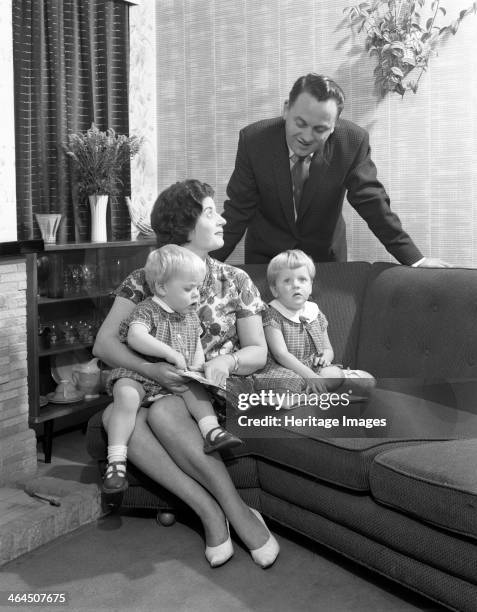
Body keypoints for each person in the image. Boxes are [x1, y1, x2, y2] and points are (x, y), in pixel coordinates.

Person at [93, 179, 279, 568]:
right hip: (154, 383)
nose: (222, 218)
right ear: (184, 225)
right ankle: (213, 512)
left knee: (155, 413)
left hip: (205, 393)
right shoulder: (144, 279)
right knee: (118, 414)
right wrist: (152, 371)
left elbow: (258, 351)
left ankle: (234, 511)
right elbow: (105, 344)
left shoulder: (236, 280)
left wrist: (225, 362)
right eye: (211, 212)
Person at [211, 73, 451, 268]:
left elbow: (373, 203)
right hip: (267, 260)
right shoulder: (255, 141)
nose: (306, 137)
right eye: (300, 123)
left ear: (334, 126)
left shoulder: (352, 142)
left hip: (324, 260)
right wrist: (205, 265)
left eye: (320, 129)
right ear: (286, 109)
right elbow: (238, 210)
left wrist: (416, 260)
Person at [102, 244, 243, 495]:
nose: (196, 295)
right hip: (141, 373)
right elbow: (136, 337)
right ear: (162, 288)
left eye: (198, 288)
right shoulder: (148, 309)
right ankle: (116, 460)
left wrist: (199, 365)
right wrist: (168, 353)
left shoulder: (189, 316)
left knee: (196, 389)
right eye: (189, 289)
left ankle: (211, 431)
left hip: (173, 378)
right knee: (125, 394)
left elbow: (196, 344)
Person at [259, 249, 375, 405]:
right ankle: (300, 393)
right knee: (290, 382)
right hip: (285, 368)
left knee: (349, 376)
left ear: (311, 285)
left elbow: (328, 349)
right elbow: (281, 355)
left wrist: (325, 360)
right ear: (274, 289)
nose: (296, 285)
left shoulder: (315, 312)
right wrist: (309, 375)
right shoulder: (272, 314)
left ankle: (313, 391)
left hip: (313, 368)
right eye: (287, 281)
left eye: (302, 279)